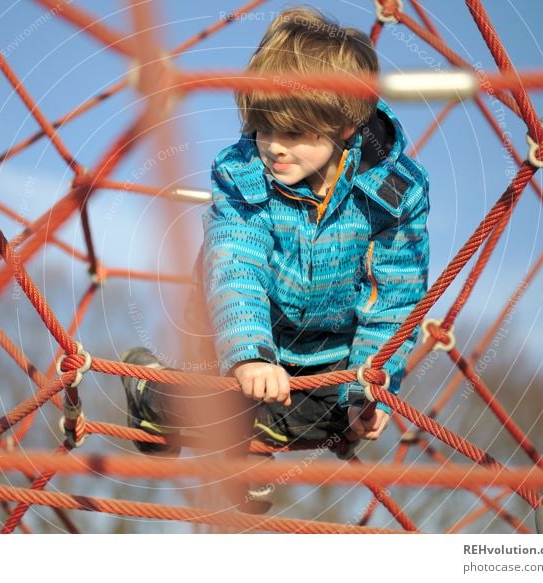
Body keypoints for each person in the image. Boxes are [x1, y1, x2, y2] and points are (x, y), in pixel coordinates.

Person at [120, 7, 429, 511]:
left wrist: (371, 382)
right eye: (265, 129)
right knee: (226, 400)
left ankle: (256, 431)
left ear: (348, 125)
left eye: (296, 135)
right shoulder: (242, 175)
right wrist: (250, 355)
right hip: (234, 335)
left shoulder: (394, 194)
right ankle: (153, 395)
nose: (275, 149)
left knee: (345, 421)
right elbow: (236, 267)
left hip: (322, 357)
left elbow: (394, 296)